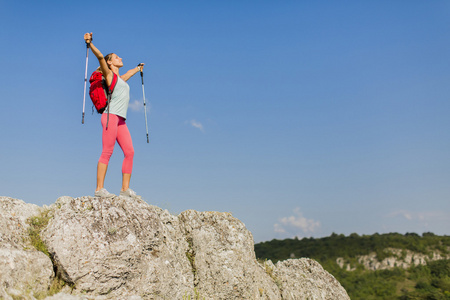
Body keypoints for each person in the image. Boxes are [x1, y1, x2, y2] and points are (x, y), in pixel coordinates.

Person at [84, 32, 143, 199]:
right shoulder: (109, 75)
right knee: (107, 151)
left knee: (130, 152)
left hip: (121, 120)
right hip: (110, 117)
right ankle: (99, 189)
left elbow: (127, 76)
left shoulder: (120, 80)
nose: (121, 58)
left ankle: (125, 190)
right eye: (117, 57)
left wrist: (137, 69)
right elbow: (101, 57)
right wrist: (90, 43)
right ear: (110, 62)